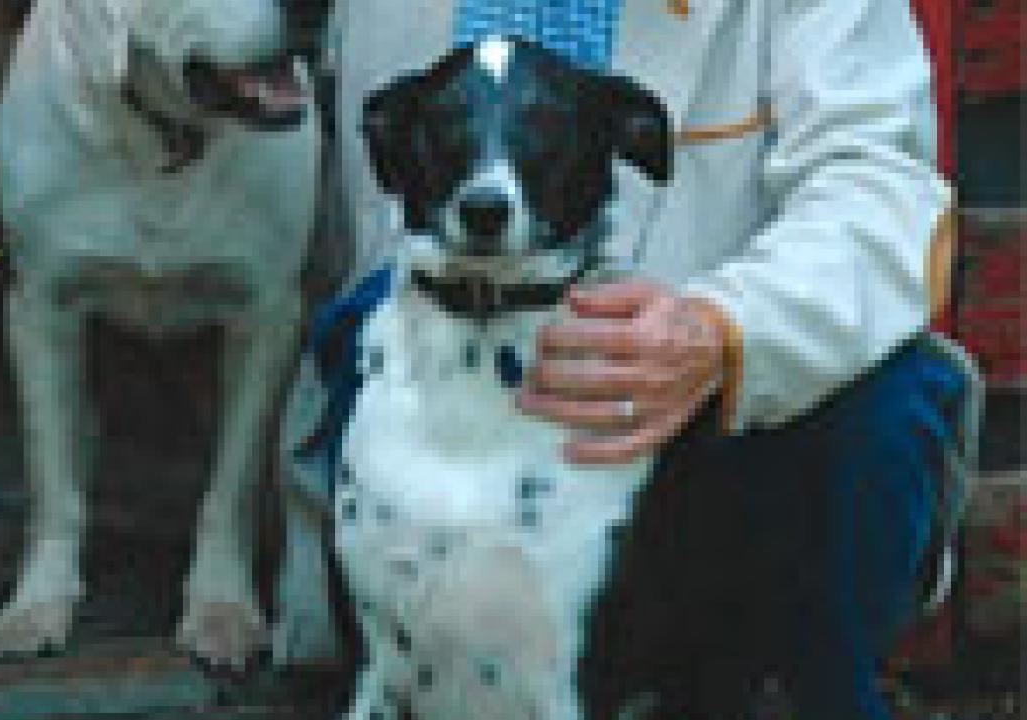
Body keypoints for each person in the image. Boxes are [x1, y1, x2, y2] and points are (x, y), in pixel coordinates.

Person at [275, 1, 982, 718]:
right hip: (441, 386)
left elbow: (878, 192)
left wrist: (723, 330)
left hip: (725, 423)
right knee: (361, 323)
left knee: (885, 403)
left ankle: (791, 689)